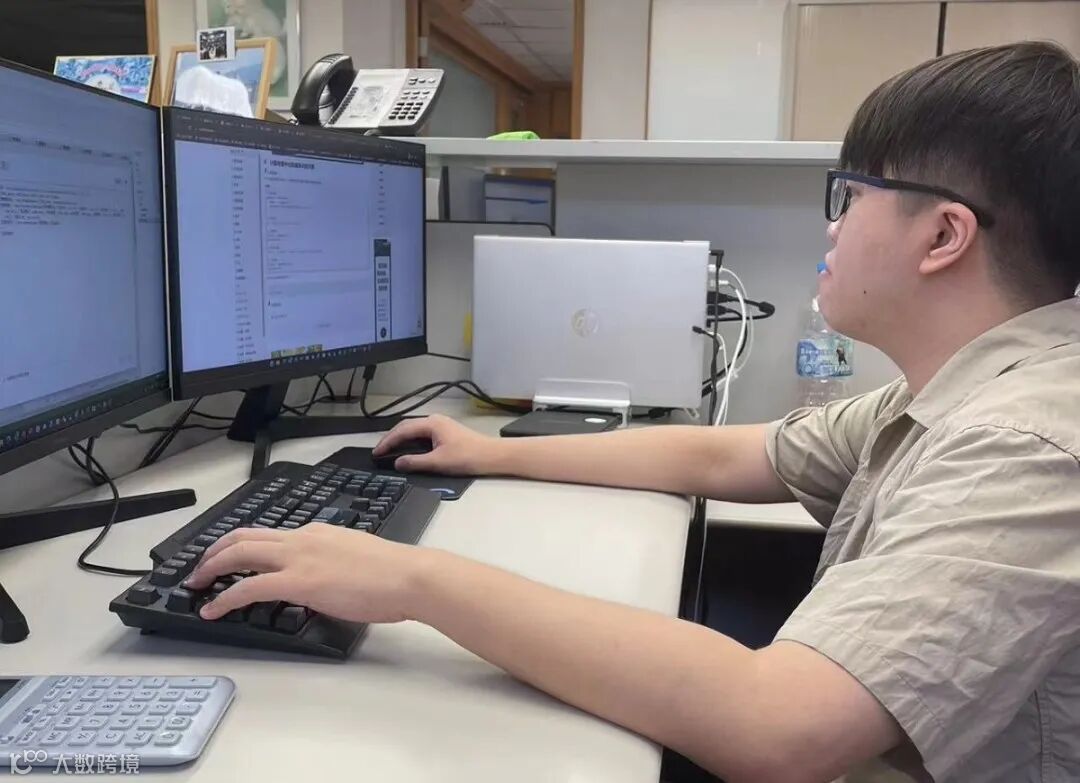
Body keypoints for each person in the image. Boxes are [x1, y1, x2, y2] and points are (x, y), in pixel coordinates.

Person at [185, 42, 1080, 782]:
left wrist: (410, 581)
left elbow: (780, 728)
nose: (834, 226)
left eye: (852, 195)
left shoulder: (1023, 443)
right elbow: (728, 457)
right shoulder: (955, 387)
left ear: (944, 235)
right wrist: (491, 452)